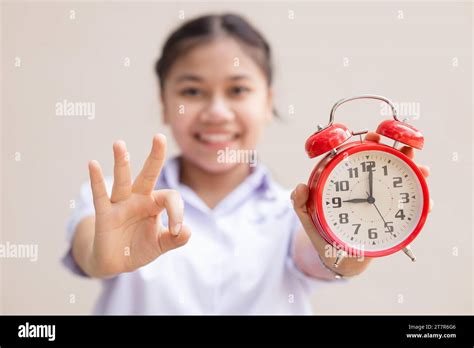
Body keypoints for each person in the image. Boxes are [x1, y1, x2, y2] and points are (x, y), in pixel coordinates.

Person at [62, 13, 431, 314]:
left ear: (267, 101)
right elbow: (91, 247)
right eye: (192, 91)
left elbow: (331, 258)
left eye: (238, 90)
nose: (217, 112)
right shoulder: (115, 201)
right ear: (164, 102)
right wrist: (104, 254)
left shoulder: (296, 212)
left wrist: (349, 234)